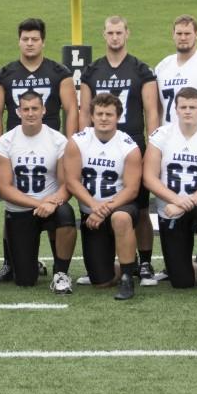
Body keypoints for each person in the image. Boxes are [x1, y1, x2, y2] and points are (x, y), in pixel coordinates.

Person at [0, 18, 77, 283]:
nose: (30, 43)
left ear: (42, 41)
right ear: (19, 41)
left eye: (35, 39)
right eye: (25, 39)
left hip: (50, 144)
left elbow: (71, 108)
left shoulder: (58, 72)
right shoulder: (5, 74)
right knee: (14, 198)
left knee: (58, 206)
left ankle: (60, 270)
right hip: (16, 145)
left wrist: (71, 143)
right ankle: (11, 261)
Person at [79, 15, 160, 286]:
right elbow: (84, 110)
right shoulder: (92, 71)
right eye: (110, 33)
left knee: (140, 208)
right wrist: (82, 141)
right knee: (99, 198)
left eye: (119, 32)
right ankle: (113, 260)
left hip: (132, 142)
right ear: (104, 35)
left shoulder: (141, 69)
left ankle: (145, 261)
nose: (115, 37)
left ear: (127, 33)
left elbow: (151, 110)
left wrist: (153, 144)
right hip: (98, 143)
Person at [143, 87, 197, 299]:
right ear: (176, 109)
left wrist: (184, 202)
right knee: (181, 281)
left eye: (192, 107)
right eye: (183, 107)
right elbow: (149, 177)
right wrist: (175, 200)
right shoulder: (161, 135)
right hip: (169, 207)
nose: (188, 111)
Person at [0, 91, 77, 294]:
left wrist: (53, 202)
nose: (30, 113)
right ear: (17, 112)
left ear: (44, 110)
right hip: (21, 208)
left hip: (51, 206)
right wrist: (38, 204)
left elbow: (66, 183)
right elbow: (5, 189)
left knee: (66, 214)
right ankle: (30, 264)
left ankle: (61, 273)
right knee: (24, 280)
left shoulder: (58, 140)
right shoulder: (6, 142)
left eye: (35, 108)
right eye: (26, 109)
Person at [64, 93, 142, 300]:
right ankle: (124, 264)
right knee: (101, 281)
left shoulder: (129, 146)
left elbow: (132, 189)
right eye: (99, 113)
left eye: (109, 114)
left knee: (121, 218)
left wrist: (103, 209)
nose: (104, 118)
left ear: (118, 117)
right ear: (91, 116)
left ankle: (127, 277)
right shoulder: (78, 142)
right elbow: (71, 180)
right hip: (92, 214)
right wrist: (94, 206)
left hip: (119, 207)